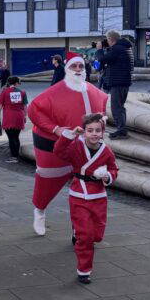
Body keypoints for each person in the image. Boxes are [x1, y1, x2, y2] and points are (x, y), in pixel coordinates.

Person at [27, 51, 109, 235]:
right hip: (54, 145)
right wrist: (56, 129)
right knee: (47, 182)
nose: (78, 69)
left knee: (85, 189)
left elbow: (103, 110)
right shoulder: (54, 92)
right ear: (67, 69)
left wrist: (102, 121)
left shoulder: (96, 93)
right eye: (74, 66)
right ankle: (39, 209)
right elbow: (33, 109)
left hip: (85, 148)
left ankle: (78, 230)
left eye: (81, 66)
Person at [53, 112, 119, 283]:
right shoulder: (76, 145)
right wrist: (69, 135)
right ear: (84, 131)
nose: (94, 134)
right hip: (79, 195)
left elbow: (114, 168)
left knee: (97, 235)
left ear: (102, 132)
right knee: (86, 236)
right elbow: (59, 151)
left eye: (98, 130)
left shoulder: (106, 151)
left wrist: (108, 176)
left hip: (99, 196)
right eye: (90, 130)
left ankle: (78, 231)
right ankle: (84, 270)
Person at [95, 30, 133, 139]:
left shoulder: (117, 49)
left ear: (111, 39)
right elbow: (110, 61)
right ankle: (122, 129)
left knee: (116, 108)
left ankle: (121, 131)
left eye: (107, 39)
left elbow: (102, 59)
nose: (106, 41)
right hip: (123, 82)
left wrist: (99, 50)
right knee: (120, 107)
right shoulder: (123, 47)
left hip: (118, 83)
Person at [0, 76, 28, 162]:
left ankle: (13, 157)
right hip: (19, 116)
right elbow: (25, 106)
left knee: (11, 137)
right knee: (16, 137)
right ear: (16, 83)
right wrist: (25, 116)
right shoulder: (22, 92)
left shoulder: (4, 92)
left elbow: (0, 105)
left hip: (9, 116)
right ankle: (16, 155)